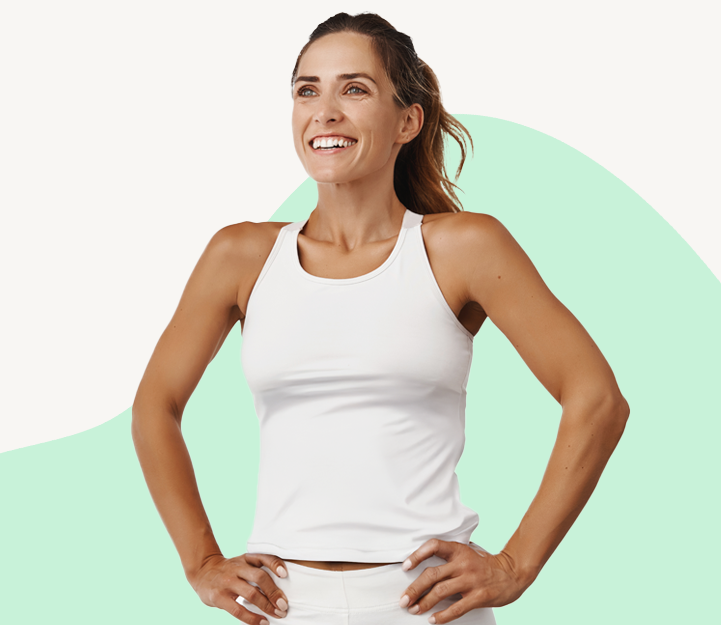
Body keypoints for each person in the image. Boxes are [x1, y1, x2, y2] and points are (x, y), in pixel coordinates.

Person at [130, 12, 629, 625]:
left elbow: (597, 398)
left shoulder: (465, 248)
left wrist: (515, 565)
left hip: (428, 605)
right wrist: (201, 563)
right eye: (307, 90)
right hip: (282, 605)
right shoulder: (240, 256)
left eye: (355, 89)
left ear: (407, 121)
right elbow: (155, 405)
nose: (325, 111)